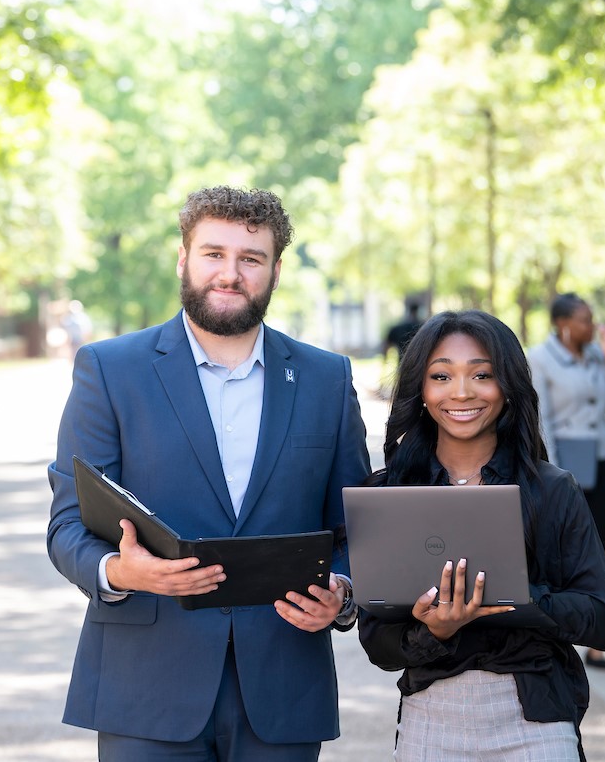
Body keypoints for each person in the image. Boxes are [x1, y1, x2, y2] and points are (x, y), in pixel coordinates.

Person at [47, 185, 371, 761]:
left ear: (275, 271)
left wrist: (342, 594)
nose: (231, 273)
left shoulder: (326, 379)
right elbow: (69, 525)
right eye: (213, 254)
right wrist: (121, 572)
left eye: (251, 258)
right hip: (144, 686)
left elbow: (357, 530)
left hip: (284, 686)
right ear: (183, 259)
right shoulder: (109, 370)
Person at [358, 310, 605, 761]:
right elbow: (378, 643)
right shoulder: (388, 494)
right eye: (441, 376)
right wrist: (432, 631)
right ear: (421, 390)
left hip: (537, 720)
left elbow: (603, 621)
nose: (461, 392)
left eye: (482, 374)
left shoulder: (551, 489)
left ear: (509, 387)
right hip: (432, 718)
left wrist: (517, 599)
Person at [527, 292, 605, 670]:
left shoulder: (593, 357)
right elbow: (542, 418)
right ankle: (561, 625)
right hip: (565, 462)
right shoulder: (540, 358)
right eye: (585, 320)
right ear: (563, 324)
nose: (592, 325)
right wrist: (550, 470)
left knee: (598, 545)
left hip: (600, 459)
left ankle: (595, 638)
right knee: (563, 547)